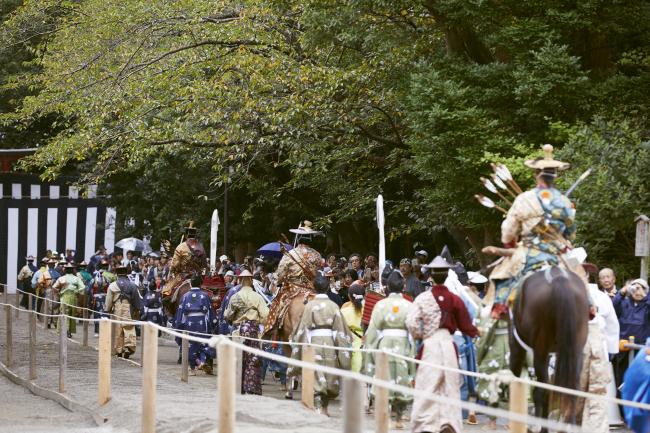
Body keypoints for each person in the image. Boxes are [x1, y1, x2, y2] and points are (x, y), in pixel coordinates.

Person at [488, 144, 576, 317]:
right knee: (578, 275)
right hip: (557, 252)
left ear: (537, 175)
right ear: (555, 176)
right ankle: (589, 305)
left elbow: (508, 229)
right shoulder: (564, 201)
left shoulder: (525, 198)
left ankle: (500, 308)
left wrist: (510, 243)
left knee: (501, 274)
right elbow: (571, 232)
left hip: (529, 251)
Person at [406, 256, 478, 433]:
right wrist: (475, 333)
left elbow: (411, 322)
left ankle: (425, 424)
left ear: (430, 275)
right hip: (448, 344)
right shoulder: (455, 299)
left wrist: (420, 336)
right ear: (447, 275)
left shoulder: (423, 299)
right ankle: (448, 422)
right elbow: (467, 327)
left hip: (430, 344)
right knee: (450, 387)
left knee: (427, 386)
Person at [288, 274, 352, 416]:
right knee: (330, 373)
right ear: (328, 287)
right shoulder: (334, 306)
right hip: (330, 342)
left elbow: (302, 328)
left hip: (313, 342)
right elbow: (341, 331)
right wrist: (342, 350)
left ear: (314, 288)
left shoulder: (309, 306)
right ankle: (324, 408)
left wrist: (300, 347)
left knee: (317, 374)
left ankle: (318, 407)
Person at [365, 271, 415, 428]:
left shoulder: (380, 305)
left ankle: (385, 417)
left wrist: (371, 355)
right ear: (403, 287)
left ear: (387, 287)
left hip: (384, 345)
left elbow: (372, 332)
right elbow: (413, 333)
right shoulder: (409, 305)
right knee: (402, 378)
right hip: (403, 346)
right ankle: (399, 418)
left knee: (383, 378)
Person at [265, 220, 323, 336]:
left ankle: (272, 329)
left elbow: (280, 275)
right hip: (311, 290)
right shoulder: (317, 255)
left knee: (276, 304)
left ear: (299, 237)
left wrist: (277, 280)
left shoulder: (290, 254)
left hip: (293, 290)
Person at [224, 269, 269, 393]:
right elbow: (265, 315)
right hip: (253, 329)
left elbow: (227, 315)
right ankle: (251, 387)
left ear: (240, 280)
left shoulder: (235, 296)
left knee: (237, 358)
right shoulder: (257, 297)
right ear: (251, 281)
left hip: (238, 329)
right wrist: (258, 320)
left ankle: (238, 386)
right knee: (253, 359)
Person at [174, 273, 217, 374]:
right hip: (202, 322)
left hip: (189, 322)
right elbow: (210, 311)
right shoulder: (205, 295)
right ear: (201, 284)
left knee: (190, 344)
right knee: (203, 342)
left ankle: (193, 368)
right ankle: (201, 361)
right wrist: (213, 322)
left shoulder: (185, 296)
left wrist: (179, 325)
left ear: (190, 284)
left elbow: (181, 312)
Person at [612, 278, 650, 388]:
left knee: (640, 382)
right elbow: (612, 308)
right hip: (623, 348)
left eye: (641, 288)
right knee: (621, 381)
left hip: (642, 350)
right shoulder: (624, 302)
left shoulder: (647, 305)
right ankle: (621, 404)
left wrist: (645, 295)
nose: (637, 291)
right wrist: (621, 293)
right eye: (635, 288)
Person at [105, 265, 141, 359]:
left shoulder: (112, 285)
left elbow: (109, 300)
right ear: (126, 273)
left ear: (117, 273)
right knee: (128, 327)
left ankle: (119, 350)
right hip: (128, 308)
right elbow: (136, 300)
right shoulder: (132, 285)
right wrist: (137, 310)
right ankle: (129, 347)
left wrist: (108, 309)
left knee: (118, 329)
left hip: (117, 308)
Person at [53, 263, 86, 338]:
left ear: (65, 270)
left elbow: (54, 287)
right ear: (72, 270)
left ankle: (65, 330)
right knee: (71, 314)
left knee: (64, 313)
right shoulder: (76, 278)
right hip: (73, 297)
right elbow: (83, 288)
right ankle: (69, 331)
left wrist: (59, 293)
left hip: (64, 297)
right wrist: (78, 293)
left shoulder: (61, 278)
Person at [340, 282, 365, 373]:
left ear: (349, 296)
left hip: (349, 345)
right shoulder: (370, 310)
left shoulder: (344, 311)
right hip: (366, 344)